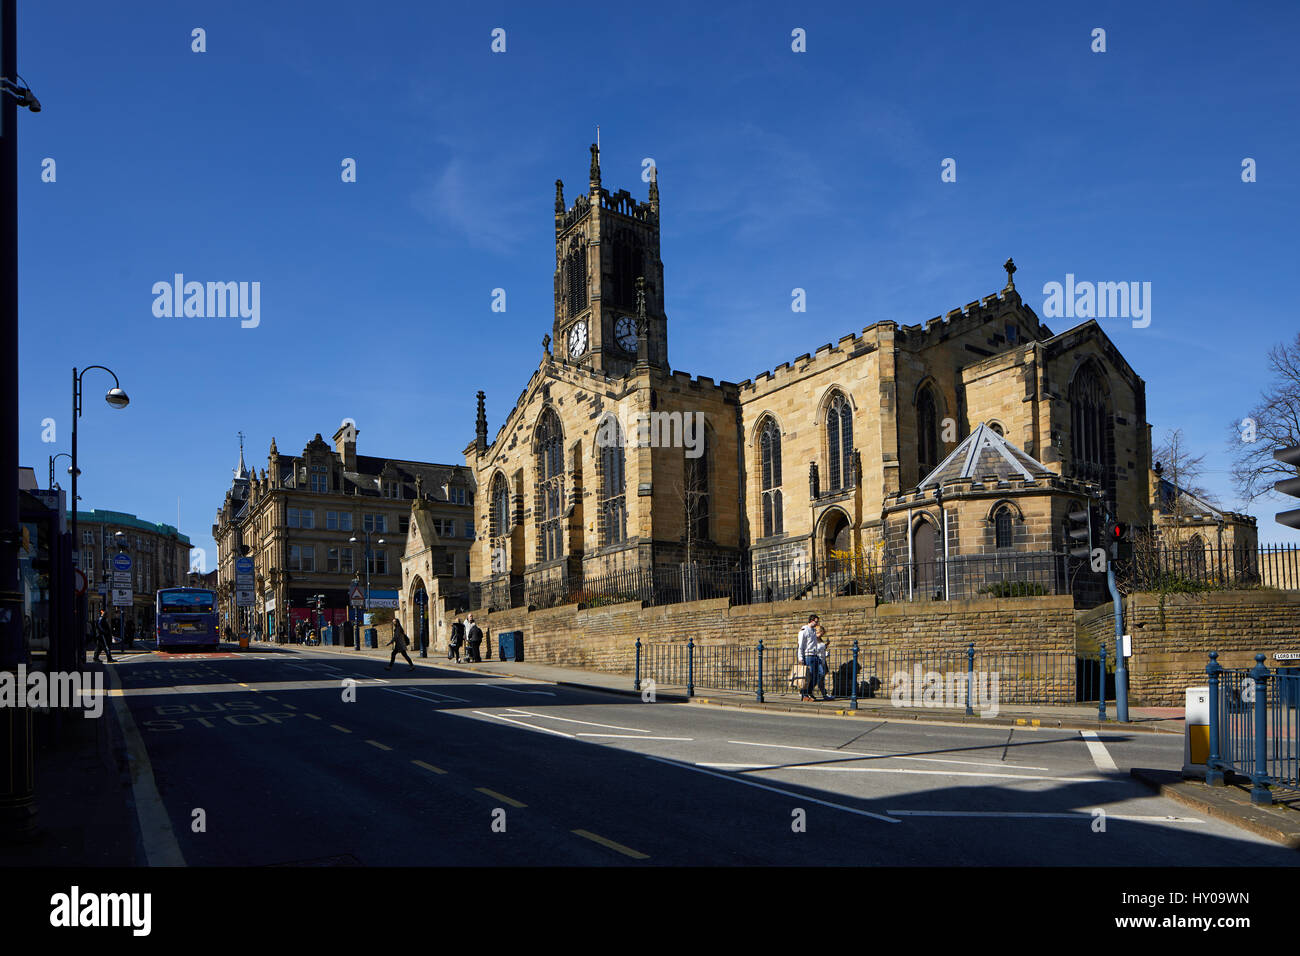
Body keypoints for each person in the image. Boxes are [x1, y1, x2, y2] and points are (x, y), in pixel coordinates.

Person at [796, 613, 820, 702]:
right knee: (807, 677)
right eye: (816, 622)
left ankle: (809, 692)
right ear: (811, 620)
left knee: (816, 675)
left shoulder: (813, 631)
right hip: (808, 655)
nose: (817, 624)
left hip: (814, 655)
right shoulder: (804, 630)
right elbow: (800, 645)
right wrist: (800, 657)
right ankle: (804, 694)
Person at [812, 622, 833, 701]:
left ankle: (824, 694)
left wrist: (826, 646)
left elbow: (821, 649)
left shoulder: (820, 639)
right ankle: (807, 691)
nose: (822, 635)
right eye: (822, 633)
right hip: (818, 660)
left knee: (821, 678)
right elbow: (815, 650)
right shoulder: (813, 639)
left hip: (823, 660)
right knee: (820, 677)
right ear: (818, 632)